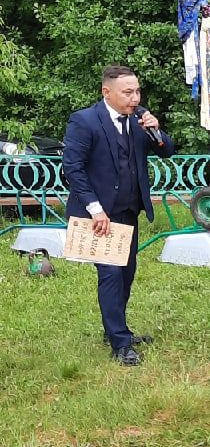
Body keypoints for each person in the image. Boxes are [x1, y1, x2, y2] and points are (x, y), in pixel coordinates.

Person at [62, 65, 175, 366]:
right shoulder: (84, 121)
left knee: (126, 273)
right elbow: (73, 168)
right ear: (106, 92)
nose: (135, 98)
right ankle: (121, 343)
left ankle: (115, 329)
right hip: (97, 215)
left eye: (137, 91)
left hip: (127, 211)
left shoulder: (140, 119)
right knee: (110, 274)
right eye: (128, 92)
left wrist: (157, 131)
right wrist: (95, 209)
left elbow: (167, 151)